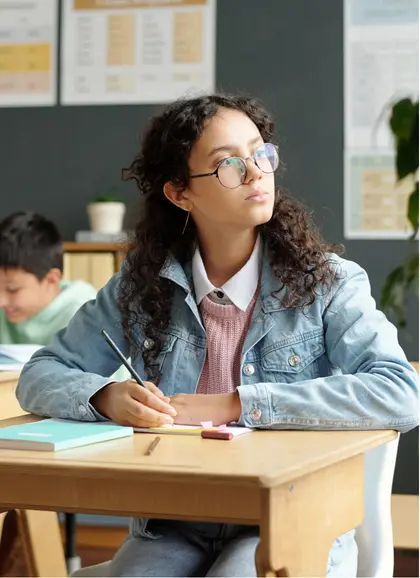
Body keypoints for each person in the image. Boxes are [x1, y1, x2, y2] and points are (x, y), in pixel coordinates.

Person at [16, 95, 418, 577]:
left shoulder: (328, 282)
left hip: (286, 520)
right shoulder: (140, 286)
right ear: (180, 193)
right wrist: (104, 395)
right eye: (228, 163)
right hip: (176, 520)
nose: (254, 172)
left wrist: (236, 404)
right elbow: (39, 374)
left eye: (259, 153)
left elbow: (400, 393)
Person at [0, 211, 96, 345]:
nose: (1, 301)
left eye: (12, 290)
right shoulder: (6, 310)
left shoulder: (85, 316)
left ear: (51, 279)